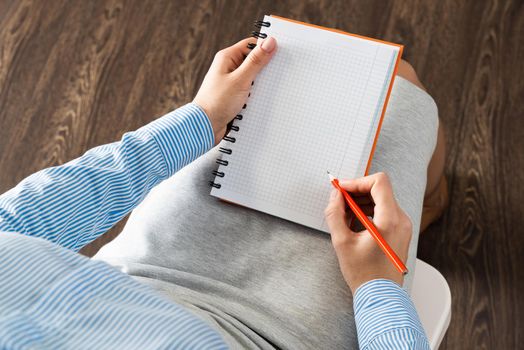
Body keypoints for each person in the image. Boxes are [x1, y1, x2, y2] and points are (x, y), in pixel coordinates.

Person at [0, 35, 446, 349]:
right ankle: (431, 201)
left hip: (136, 277)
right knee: (401, 86)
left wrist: (202, 120)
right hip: (286, 337)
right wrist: (378, 285)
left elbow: (16, 223)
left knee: (365, 78)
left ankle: (427, 201)